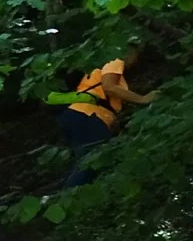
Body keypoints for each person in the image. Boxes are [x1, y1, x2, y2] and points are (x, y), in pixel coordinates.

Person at [57, 44, 158, 187]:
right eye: (135, 54)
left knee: (86, 162)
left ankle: (70, 197)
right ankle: (67, 198)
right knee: (93, 161)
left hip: (77, 115)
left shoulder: (98, 68)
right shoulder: (114, 61)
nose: (135, 60)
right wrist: (143, 99)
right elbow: (109, 87)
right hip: (89, 116)